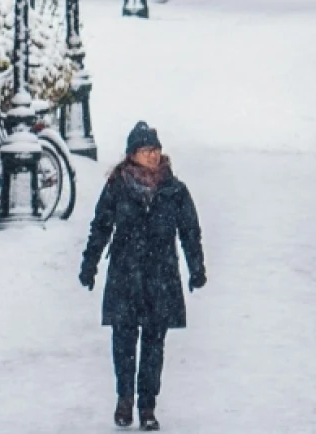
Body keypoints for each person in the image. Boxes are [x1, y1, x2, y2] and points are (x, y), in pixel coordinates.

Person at [80, 122, 206, 431]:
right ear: (132, 155)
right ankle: (124, 401)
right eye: (146, 150)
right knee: (123, 342)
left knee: (153, 345)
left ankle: (147, 406)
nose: (152, 155)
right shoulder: (117, 186)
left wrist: (196, 268)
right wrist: (90, 264)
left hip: (160, 276)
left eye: (155, 150)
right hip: (125, 274)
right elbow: (101, 227)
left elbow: (190, 231)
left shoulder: (175, 190)